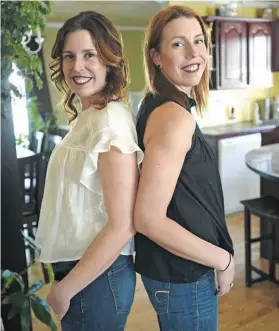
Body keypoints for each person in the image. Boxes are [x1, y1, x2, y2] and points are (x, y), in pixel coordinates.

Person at [35, 10, 143, 331]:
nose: (77, 66)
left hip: (96, 278)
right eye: (69, 56)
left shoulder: (110, 124)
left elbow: (123, 226)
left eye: (89, 55)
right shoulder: (90, 117)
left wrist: (66, 289)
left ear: (110, 61)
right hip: (87, 273)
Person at [134, 5, 235, 331]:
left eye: (198, 41)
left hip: (177, 273)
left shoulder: (162, 104)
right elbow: (148, 219)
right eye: (178, 44)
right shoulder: (173, 117)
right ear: (157, 57)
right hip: (184, 275)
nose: (194, 52)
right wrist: (224, 260)